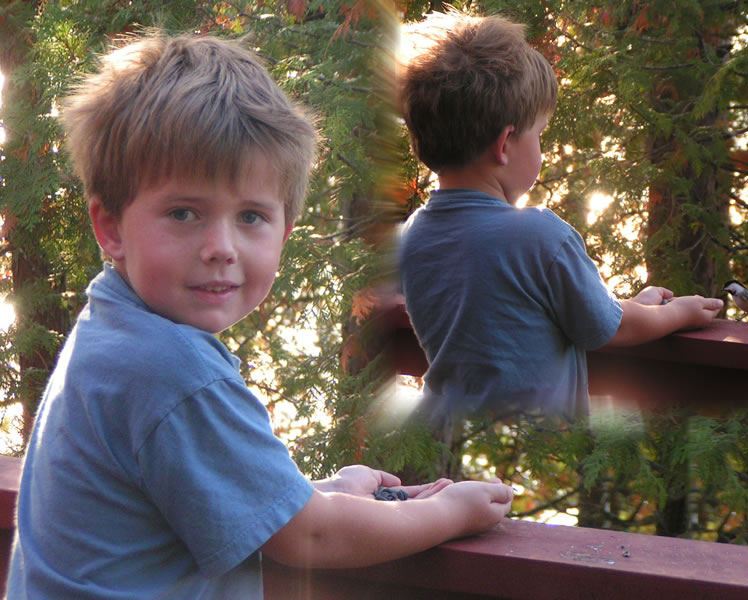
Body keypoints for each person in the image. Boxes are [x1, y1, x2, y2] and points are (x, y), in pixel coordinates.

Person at [6, 32, 513, 599]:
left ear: (284, 233)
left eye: (250, 217)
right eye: (183, 212)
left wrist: (328, 491)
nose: (220, 246)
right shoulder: (170, 369)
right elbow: (312, 539)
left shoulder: (114, 330)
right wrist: (452, 511)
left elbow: (204, 497)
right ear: (111, 228)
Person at [396, 12, 724, 424]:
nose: (542, 148)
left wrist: (626, 306)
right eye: (540, 134)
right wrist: (680, 313)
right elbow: (607, 329)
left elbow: (518, 312)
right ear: (504, 145)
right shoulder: (539, 235)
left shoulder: (412, 235)